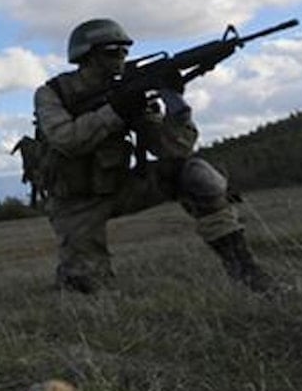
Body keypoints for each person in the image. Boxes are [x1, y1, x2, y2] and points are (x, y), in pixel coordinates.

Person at [34, 18, 273, 295]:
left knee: (196, 174)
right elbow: (67, 140)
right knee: (87, 289)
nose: (121, 59)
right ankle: (74, 278)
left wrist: (175, 103)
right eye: (112, 52)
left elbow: (173, 150)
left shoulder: (128, 91)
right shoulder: (53, 93)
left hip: (119, 187)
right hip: (75, 202)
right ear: (85, 56)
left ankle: (248, 274)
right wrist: (116, 112)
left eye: (125, 52)